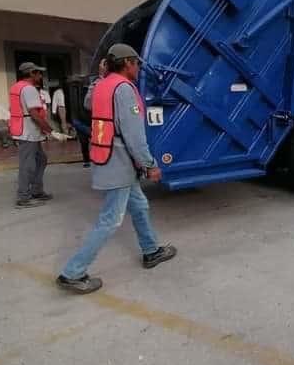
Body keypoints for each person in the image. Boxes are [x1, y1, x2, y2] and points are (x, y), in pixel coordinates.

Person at [56, 44, 176, 294]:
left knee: (140, 206)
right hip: (119, 161)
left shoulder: (102, 85)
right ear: (128, 63)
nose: (139, 68)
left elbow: (89, 104)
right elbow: (134, 135)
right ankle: (73, 273)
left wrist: (100, 76)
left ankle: (151, 250)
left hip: (107, 156)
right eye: (137, 63)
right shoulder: (123, 89)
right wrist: (150, 165)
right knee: (110, 220)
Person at [9, 63, 55, 208]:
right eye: (38, 73)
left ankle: (36, 191)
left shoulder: (17, 86)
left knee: (41, 159)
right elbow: (34, 114)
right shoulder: (29, 89)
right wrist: (50, 130)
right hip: (28, 131)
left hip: (25, 129)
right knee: (27, 165)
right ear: (31, 73)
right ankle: (23, 198)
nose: (40, 76)